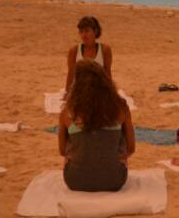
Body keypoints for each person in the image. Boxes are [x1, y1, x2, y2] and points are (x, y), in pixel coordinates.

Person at [58, 60, 135, 191]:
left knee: (74, 143)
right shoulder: (121, 108)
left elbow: (62, 151)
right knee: (118, 139)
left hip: (75, 180)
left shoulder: (68, 112)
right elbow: (131, 148)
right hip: (115, 180)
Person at [64, 16, 112, 94]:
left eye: (87, 31)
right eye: (81, 31)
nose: (84, 35)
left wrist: (111, 92)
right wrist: (67, 93)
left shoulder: (105, 50)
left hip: (99, 90)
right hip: (80, 90)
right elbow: (71, 74)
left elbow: (107, 73)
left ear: (95, 31)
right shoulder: (74, 51)